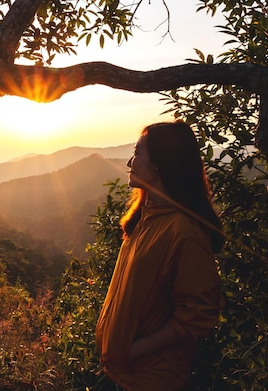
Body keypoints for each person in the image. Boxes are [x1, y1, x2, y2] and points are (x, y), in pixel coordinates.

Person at [95, 121, 225, 390]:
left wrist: (134, 350)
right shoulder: (146, 217)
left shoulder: (184, 232)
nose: (130, 162)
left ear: (159, 164)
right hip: (126, 373)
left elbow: (199, 313)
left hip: (153, 378)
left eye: (138, 152)